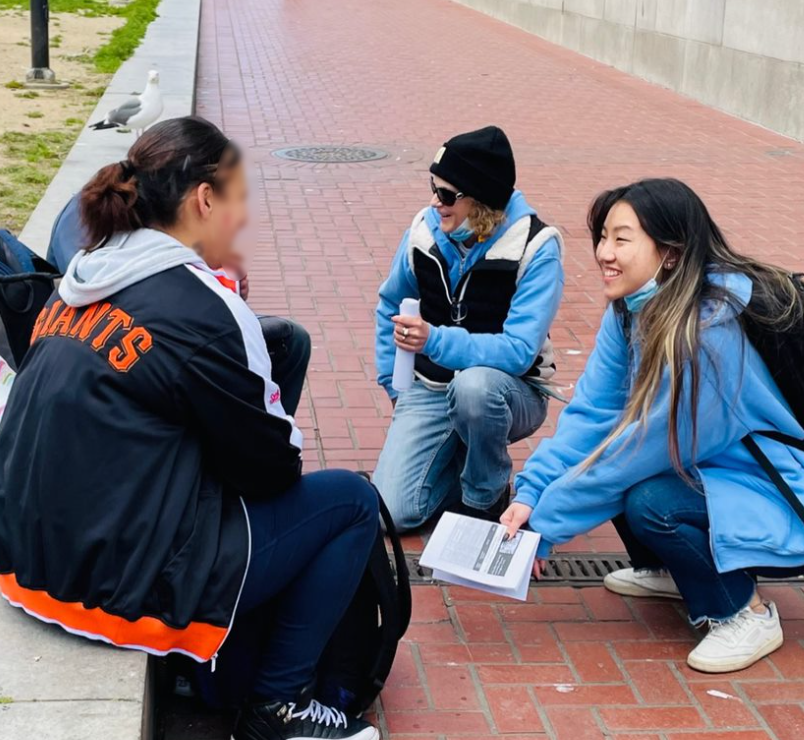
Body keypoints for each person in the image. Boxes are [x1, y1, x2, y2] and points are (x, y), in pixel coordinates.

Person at [0, 116, 380, 740]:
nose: (241, 217)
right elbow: (274, 468)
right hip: (111, 590)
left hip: (28, 562)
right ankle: (274, 712)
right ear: (205, 198)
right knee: (351, 503)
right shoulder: (205, 306)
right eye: (237, 198)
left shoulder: (87, 270)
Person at [502, 177, 804, 673]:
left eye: (622, 239)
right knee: (618, 466)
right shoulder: (630, 309)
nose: (604, 252)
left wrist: (547, 525)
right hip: (720, 472)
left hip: (780, 487)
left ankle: (743, 611)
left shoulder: (709, 330)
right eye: (602, 236)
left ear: (669, 253)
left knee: (649, 500)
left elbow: (647, 447)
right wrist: (530, 494)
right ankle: (675, 569)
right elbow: (593, 417)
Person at [374, 126, 564, 530]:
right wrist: (394, 385)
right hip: (430, 386)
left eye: (446, 194)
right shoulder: (423, 232)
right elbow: (390, 305)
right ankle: (460, 459)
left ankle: (485, 496)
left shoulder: (536, 247)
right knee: (395, 513)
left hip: (509, 392)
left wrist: (435, 340)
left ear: (480, 199)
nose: (434, 202)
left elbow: (517, 351)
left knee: (475, 389)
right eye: (433, 187)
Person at [47, 192, 312, 414]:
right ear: (202, 197)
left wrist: (224, 281)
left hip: (109, 361)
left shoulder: (110, 222)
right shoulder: (157, 261)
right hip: (138, 364)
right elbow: (188, 317)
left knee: (290, 339)